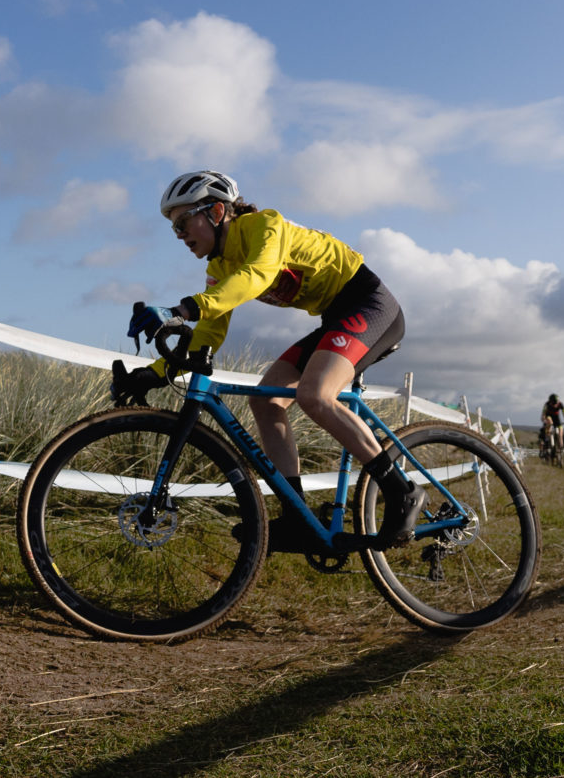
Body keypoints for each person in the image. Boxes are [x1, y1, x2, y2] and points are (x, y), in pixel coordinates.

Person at [116, 168, 422, 551]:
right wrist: (153, 373)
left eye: (182, 223)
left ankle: (402, 491)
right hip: (335, 318)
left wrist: (184, 308)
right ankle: (297, 518)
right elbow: (209, 334)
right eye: (174, 229)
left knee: (314, 395)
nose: (180, 236)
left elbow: (257, 275)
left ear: (215, 211)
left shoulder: (266, 226)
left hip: (369, 304)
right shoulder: (219, 267)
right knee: (265, 400)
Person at [541, 393, 564, 462]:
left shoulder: (560, 404)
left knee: (560, 435)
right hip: (549, 418)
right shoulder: (546, 404)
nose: (555, 405)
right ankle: (547, 439)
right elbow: (543, 414)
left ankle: (560, 449)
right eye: (553, 404)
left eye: (556, 403)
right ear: (550, 402)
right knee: (550, 422)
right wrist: (544, 419)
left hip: (557, 420)